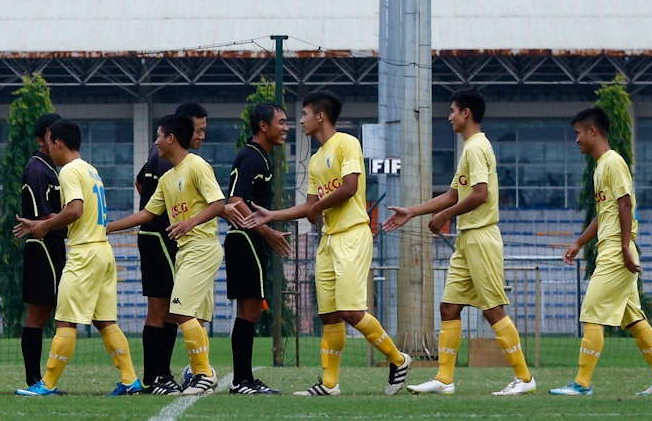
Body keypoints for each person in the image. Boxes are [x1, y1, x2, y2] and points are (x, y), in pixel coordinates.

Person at [235, 91, 411, 396]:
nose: (299, 121)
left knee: (351, 311)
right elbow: (310, 205)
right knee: (328, 314)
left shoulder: (347, 143)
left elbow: (349, 187)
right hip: (328, 239)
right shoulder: (316, 160)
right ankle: (330, 383)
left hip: (353, 234)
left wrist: (316, 208)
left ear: (320, 116)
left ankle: (398, 360)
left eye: (303, 114)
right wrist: (272, 215)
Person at [382, 91, 536, 396]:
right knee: (449, 307)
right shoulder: (469, 149)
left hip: (482, 237)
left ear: (466, 113)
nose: (449, 116)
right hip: (468, 240)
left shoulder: (477, 148)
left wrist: (444, 217)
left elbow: (480, 194)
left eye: (452, 111)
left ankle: (524, 377)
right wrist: (412, 212)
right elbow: (454, 194)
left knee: (492, 310)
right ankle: (444, 378)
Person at [550, 107, 652, 397]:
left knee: (592, 313)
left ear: (593, 131)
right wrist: (579, 241)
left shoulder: (613, 162)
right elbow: (604, 212)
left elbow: (625, 205)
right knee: (632, 317)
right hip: (613, 246)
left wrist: (623, 248)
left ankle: (581, 383)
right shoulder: (600, 167)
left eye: (578, 133)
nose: (576, 140)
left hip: (616, 250)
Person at [12, 120, 139, 396]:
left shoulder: (69, 171)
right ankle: (130, 380)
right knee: (105, 321)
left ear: (57, 143)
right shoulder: (91, 170)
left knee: (65, 321)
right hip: (104, 251)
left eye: (52, 145)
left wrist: (44, 225)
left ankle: (46, 384)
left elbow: (75, 210)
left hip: (84, 253)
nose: (51, 151)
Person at [108, 115, 227, 395]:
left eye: (159, 136)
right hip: (185, 251)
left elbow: (219, 203)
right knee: (188, 315)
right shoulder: (168, 177)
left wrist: (189, 222)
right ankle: (203, 373)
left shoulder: (197, 166)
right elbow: (148, 213)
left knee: (179, 311)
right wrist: (108, 227)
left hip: (202, 248)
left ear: (171, 138)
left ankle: (203, 375)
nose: (156, 142)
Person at [134, 101, 207, 393]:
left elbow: (140, 182)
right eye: (197, 130)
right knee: (162, 310)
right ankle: (157, 377)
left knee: (166, 309)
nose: (200, 135)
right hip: (158, 236)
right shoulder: (168, 160)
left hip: (159, 234)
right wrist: (168, 211)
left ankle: (160, 375)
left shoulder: (161, 156)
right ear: (179, 131)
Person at [220, 103, 291, 395]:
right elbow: (236, 200)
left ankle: (244, 380)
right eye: (282, 122)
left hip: (250, 240)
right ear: (263, 126)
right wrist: (267, 231)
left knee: (250, 312)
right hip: (244, 240)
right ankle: (242, 381)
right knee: (248, 311)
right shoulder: (251, 157)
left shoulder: (262, 157)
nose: (286, 127)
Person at [17, 112, 66, 389]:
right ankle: (34, 379)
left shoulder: (52, 168)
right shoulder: (36, 169)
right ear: (40, 139)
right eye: (52, 135)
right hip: (42, 246)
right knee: (38, 315)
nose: (57, 140)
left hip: (55, 243)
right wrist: (71, 218)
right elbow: (39, 219)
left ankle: (39, 378)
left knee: (47, 313)